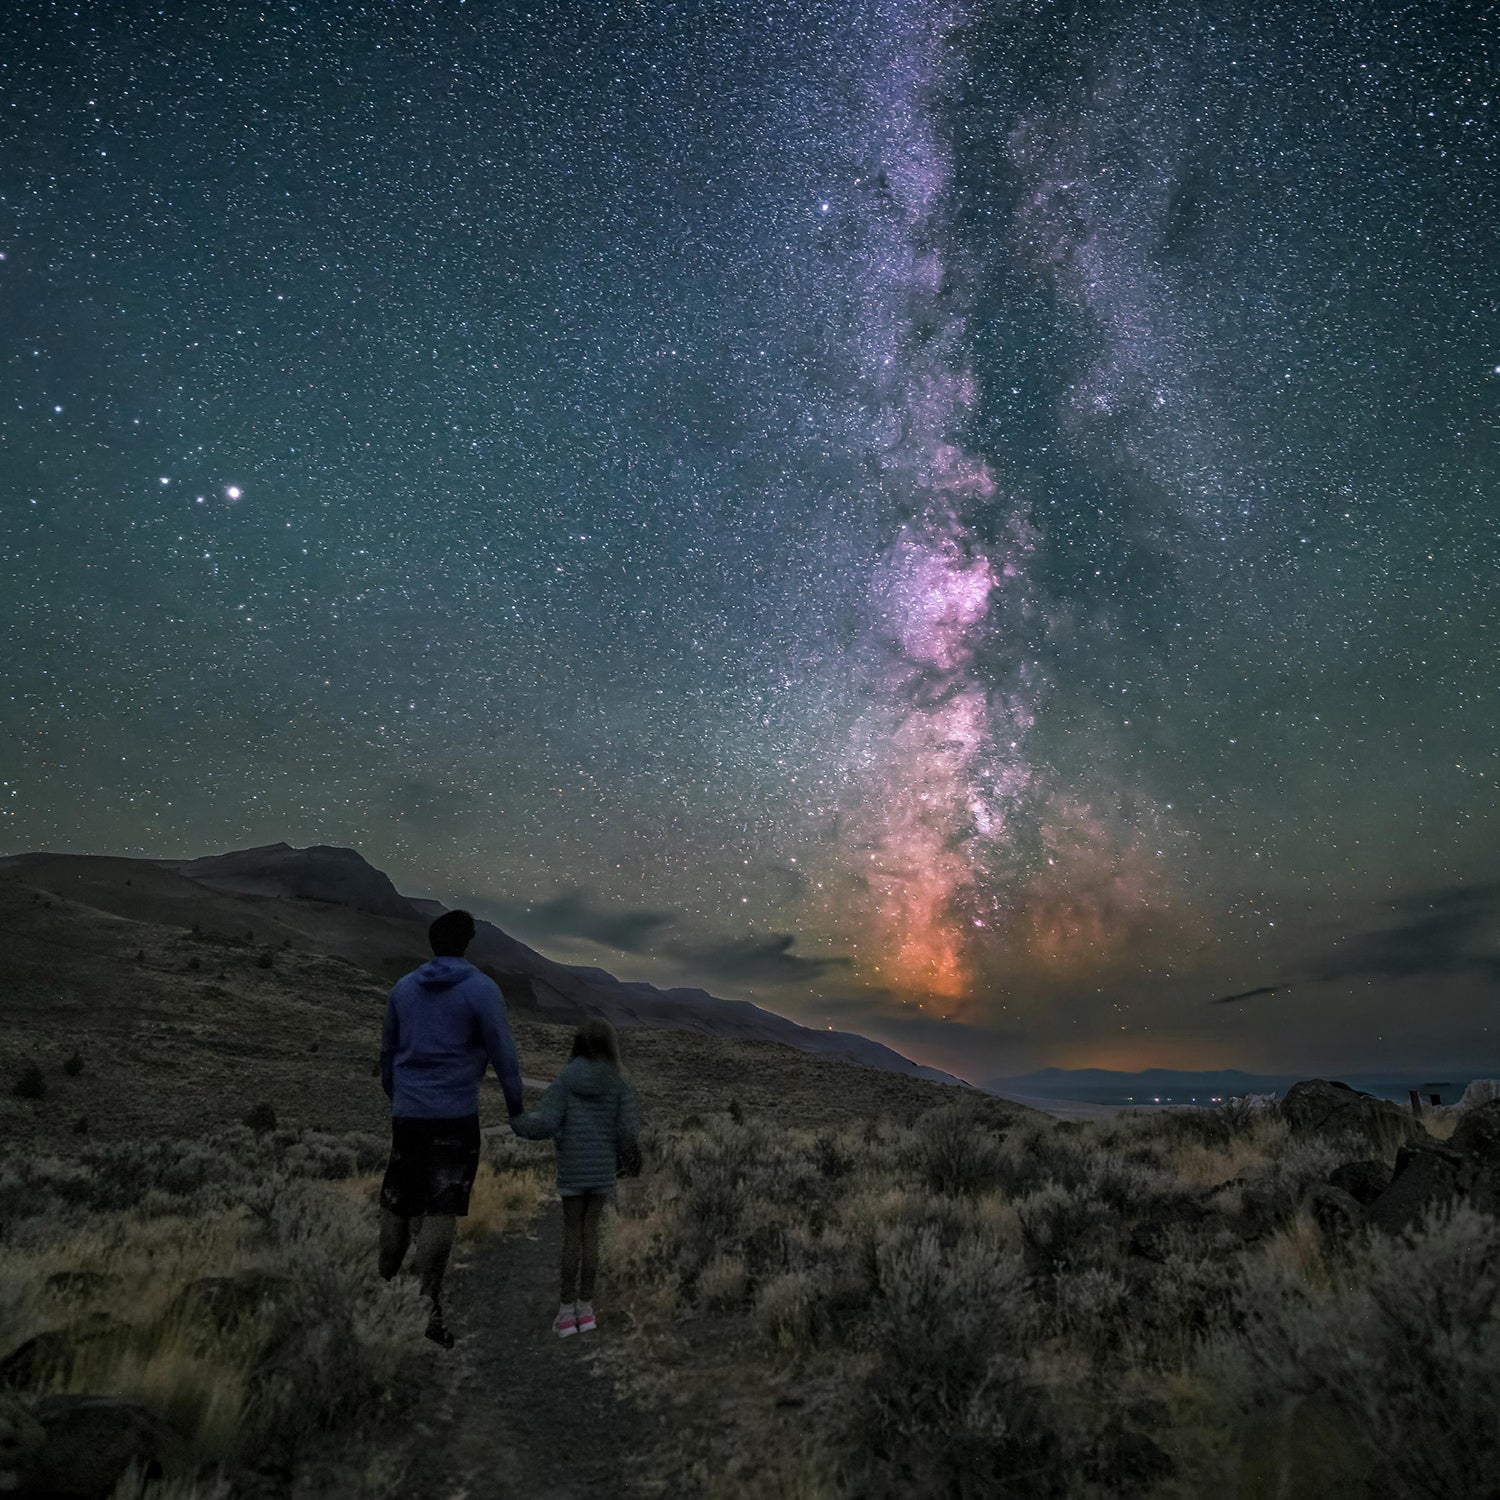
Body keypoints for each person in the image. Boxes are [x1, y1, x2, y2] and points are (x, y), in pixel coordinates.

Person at [378, 907, 523, 1347]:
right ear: (467, 943)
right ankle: (426, 1309)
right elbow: (505, 1058)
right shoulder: (481, 990)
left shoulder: (403, 989)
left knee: (398, 1199)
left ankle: (382, 1292)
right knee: (442, 1207)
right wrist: (516, 1111)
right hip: (455, 1116)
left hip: (408, 1113)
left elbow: (387, 1052)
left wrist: (399, 1096)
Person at [510, 1018, 640, 1338]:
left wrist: (517, 1119)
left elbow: (545, 1123)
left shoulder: (565, 1080)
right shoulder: (620, 1083)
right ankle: (587, 1309)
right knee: (591, 1236)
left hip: (572, 1170)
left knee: (571, 1237)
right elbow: (626, 1131)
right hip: (601, 1172)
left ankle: (566, 1315)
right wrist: (626, 1157)